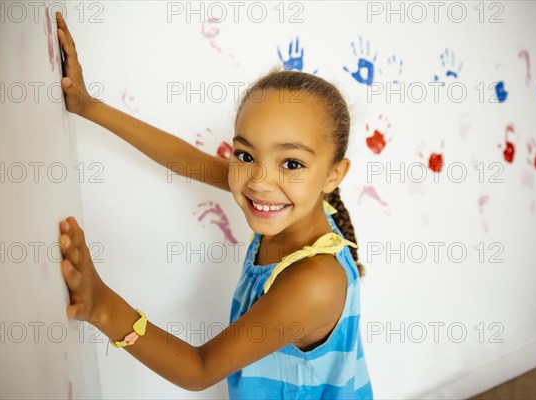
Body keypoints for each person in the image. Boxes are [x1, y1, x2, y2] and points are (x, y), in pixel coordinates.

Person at [55, 11, 373, 399]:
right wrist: (88, 106)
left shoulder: (314, 283)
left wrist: (104, 307)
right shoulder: (292, 201)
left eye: (291, 163)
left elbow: (200, 369)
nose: (259, 180)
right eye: (245, 155)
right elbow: (184, 157)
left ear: (333, 175)